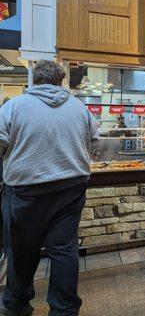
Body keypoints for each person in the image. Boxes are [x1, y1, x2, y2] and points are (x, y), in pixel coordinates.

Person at [0, 61, 99, 316]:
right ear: (61, 80)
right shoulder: (80, 108)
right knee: (64, 249)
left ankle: (17, 305)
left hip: (25, 190)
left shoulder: (14, 106)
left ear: (34, 80)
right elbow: (93, 144)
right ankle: (64, 310)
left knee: (21, 250)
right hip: (71, 187)